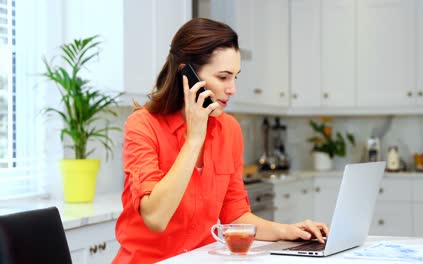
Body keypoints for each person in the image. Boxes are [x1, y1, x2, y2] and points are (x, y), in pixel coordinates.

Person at [113, 18, 328, 263]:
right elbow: (155, 218)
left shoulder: (229, 130)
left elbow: (234, 215)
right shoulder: (143, 125)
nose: (232, 88)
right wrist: (194, 139)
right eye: (223, 77)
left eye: (235, 76)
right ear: (187, 74)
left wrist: (288, 231)